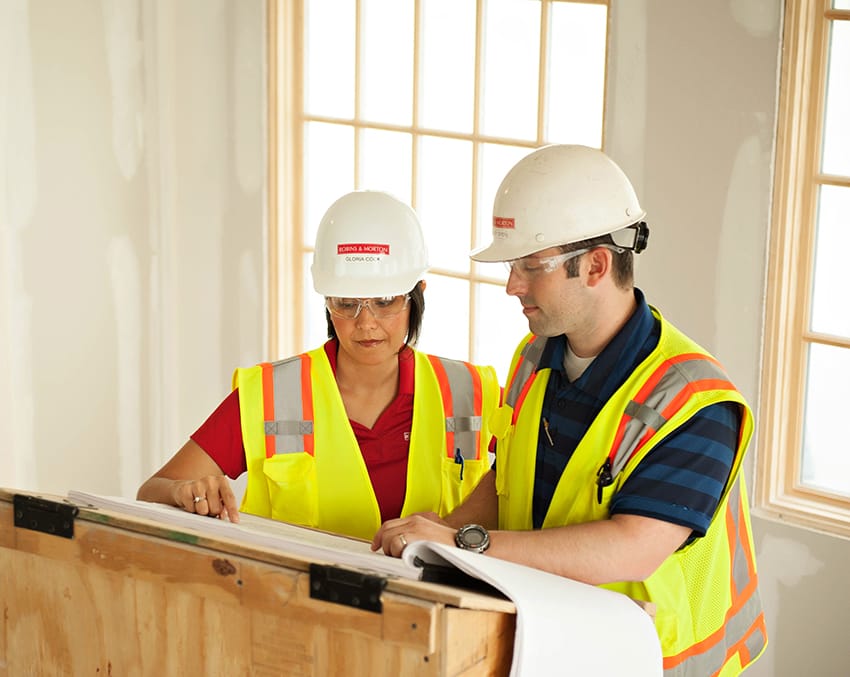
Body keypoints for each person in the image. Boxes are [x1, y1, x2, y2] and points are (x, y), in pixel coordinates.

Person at [372, 145, 767, 675]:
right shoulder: (535, 355)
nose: (512, 286)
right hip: (552, 643)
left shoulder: (692, 401)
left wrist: (465, 543)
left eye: (531, 267)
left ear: (596, 265)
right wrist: (438, 538)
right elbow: (508, 476)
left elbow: (631, 550)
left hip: (645, 662)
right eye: (513, 266)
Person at [137, 190, 501, 540]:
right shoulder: (269, 398)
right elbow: (151, 492)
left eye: (386, 301)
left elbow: (533, 479)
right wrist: (184, 493)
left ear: (417, 295)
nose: (366, 322)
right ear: (326, 300)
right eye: (347, 303)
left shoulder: (470, 392)